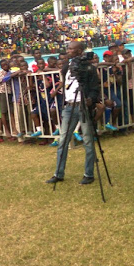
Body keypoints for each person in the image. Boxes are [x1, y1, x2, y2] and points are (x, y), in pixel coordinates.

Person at [46, 41, 101, 185]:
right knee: (63, 140)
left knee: (88, 140)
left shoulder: (89, 68)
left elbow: (95, 88)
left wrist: (90, 99)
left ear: (79, 51)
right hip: (69, 107)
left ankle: (88, 174)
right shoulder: (67, 67)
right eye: (68, 48)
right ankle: (58, 174)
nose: (68, 51)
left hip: (83, 106)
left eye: (71, 49)